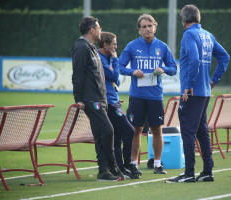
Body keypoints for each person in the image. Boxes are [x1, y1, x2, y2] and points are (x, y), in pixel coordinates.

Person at [167, 5, 230, 183]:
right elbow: (225, 57)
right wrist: (213, 80)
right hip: (204, 92)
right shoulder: (208, 35)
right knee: (202, 132)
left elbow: (194, 59)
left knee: (188, 132)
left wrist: (188, 85)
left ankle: (188, 174)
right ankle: (207, 171)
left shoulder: (189, 34)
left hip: (192, 92)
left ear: (184, 20)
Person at [119, 14, 177, 175]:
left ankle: (157, 164)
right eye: (143, 26)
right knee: (135, 130)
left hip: (155, 96)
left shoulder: (162, 47)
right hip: (137, 96)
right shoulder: (131, 46)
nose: (147, 29)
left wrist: (163, 69)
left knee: (157, 130)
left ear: (155, 27)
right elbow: (119, 66)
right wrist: (132, 71)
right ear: (139, 30)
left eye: (149, 26)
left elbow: (174, 68)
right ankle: (133, 164)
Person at [71, 16, 125, 181]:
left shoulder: (92, 48)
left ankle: (103, 171)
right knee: (108, 130)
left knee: (101, 134)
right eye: (99, 27)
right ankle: (113, 165)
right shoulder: (81, 47)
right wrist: (78, 98)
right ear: (92, 30)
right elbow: (77, 75)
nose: (101, 30)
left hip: (101, 99)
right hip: (91, 99)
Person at [97, 32, 138, 179]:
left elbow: (116, 81)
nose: (116, 46)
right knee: (129, 131)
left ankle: (121, 167)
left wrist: (114, 62)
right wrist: (115, 59)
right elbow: (114, 76)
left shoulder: (108, 57)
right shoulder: (100, 58)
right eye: (113, 43)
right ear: (105, 44)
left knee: (118, 135)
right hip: (108, 103)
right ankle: (125, 165)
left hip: (114, 100)